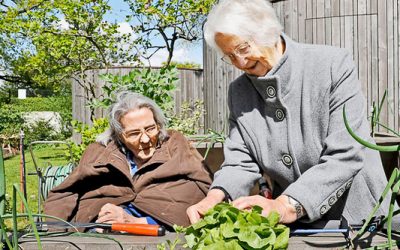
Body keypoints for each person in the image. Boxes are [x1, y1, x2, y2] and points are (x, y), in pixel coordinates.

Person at [187, 0, 392, 227]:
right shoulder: (239, 92)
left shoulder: (332, 65)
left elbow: (346, 154)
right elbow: (240, 162)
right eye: (230, 56)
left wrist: (286, 205)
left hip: (360, 220)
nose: (240, 62)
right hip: (300, 226)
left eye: (243, 48)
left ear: (268, 29)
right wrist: (217, 196)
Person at [44, 91, 212, 229]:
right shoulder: (98, 152)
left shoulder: (175, 144)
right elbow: (64, 193)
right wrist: (56, 236)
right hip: (99, 234)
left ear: (158, 125)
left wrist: (135, 222)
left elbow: (207, 190)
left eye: (150, 129)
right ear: (119, 136)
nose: (145, 139)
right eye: (134, 133)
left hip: (163, 231)